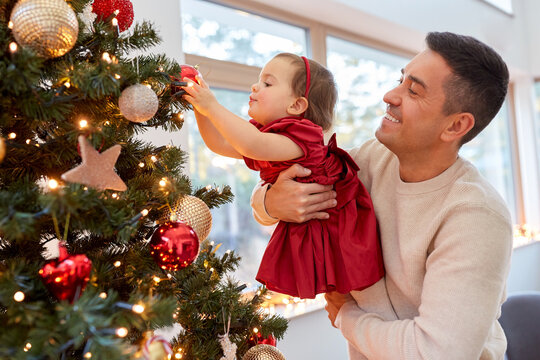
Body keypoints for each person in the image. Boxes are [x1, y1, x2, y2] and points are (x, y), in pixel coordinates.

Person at [250, 32, 513, 359]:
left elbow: (434, 353)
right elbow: (277, 193)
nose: (390, 95)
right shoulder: (367, 161)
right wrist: (272, 202)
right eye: (399, 80)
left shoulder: (478, 218)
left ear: (456, 126)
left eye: (413, 90)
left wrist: (346, 315)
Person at [181, 53, 384, 299]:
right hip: (307, 221)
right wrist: (199, 106)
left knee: (347, 294)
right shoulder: (268, 137)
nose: (255, 86)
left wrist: (212, 105)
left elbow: (250, 143)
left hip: (337, 231)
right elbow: (219, 143)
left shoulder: (304, 136)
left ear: (297, 106)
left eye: (267, 83)